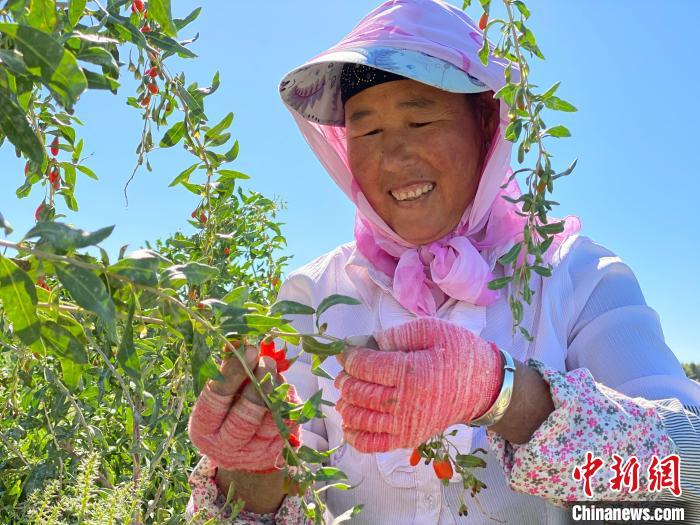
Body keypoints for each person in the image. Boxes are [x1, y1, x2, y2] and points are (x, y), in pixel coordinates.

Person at [185, 0, 700, 523]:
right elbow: (259, 507)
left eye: (420, 118)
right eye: (366, 131)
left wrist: (503, 396)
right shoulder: (313, 298)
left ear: (486, 124)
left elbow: (687, 480)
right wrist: (250, 469)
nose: (393, 157)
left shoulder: (577, 278)